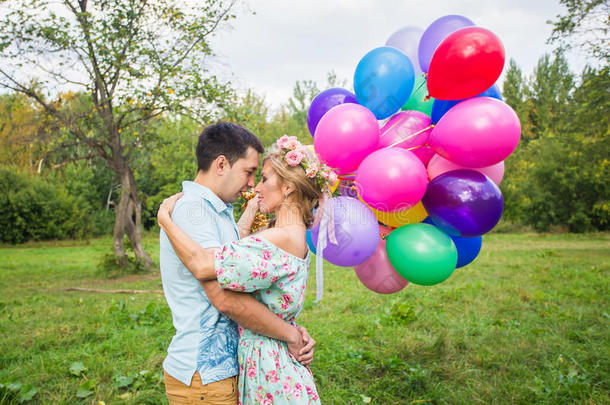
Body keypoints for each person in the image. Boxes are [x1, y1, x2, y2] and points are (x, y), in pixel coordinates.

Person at [158, 134, 336, 404]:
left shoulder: (277, 239)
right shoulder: (289, 236)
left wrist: (165, 219)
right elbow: (239, 252)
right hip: (267, 367)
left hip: (269, 371)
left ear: (287, 187)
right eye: (252, 174)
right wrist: (292, 331)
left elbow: (208, 265)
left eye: (262, 178)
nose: (255, 186)